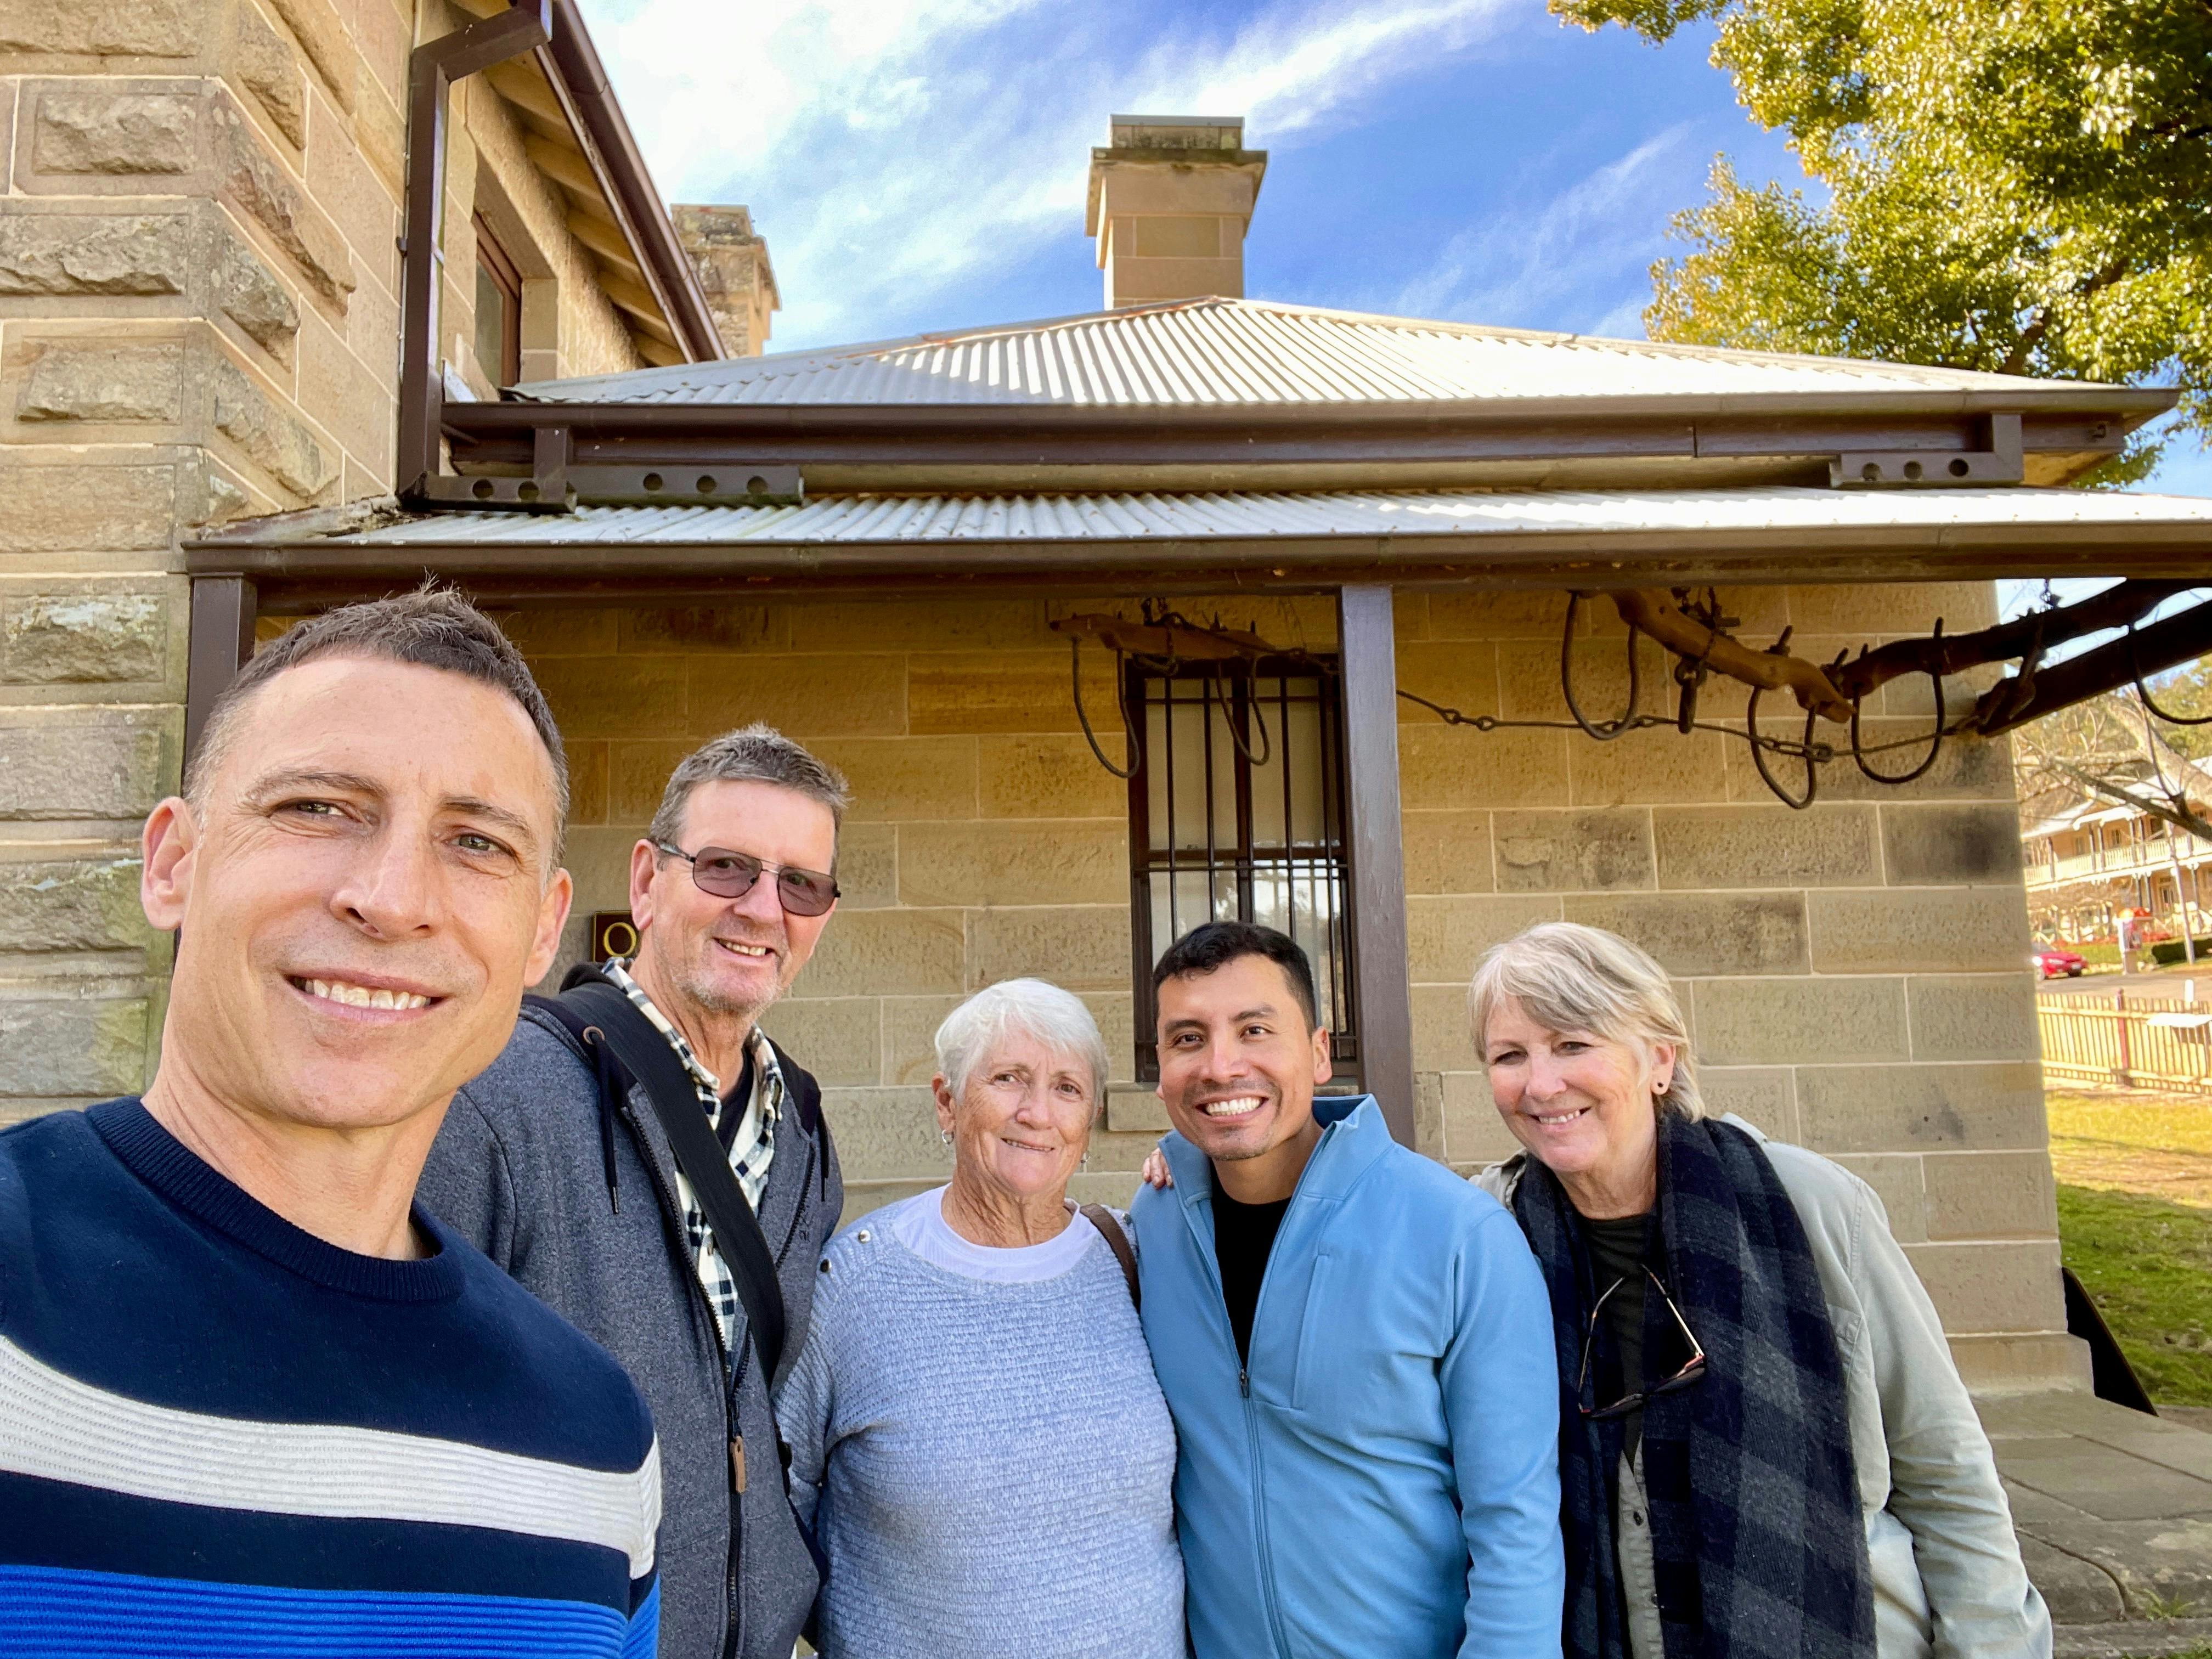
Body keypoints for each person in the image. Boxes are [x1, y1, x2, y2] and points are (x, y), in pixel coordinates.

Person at [0, 591, 660, 1651]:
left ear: (543, 930)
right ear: (172, 860)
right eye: (317, 806)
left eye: (478, 841)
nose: (392, 896)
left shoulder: (595, 1440)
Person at [1469, 920, 2051, 1659]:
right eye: (1509, 1055)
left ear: (1659, 1060)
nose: (1541, 1083)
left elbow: (1945, 1472)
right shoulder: (1483, 1236)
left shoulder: (1814, 1208)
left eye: (1574, 1045)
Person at [419, 724, 847, 1659]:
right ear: (648, 882)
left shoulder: (805, 1130)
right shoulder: (497, 1094)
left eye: (800, 883)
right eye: (728, 866)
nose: (764, 908)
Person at [1131, 920, 1564, 1658]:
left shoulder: (1461, 1237)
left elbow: (1515, 1525)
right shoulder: (1156, 1224)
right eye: (1187, 1038)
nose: (1221, 1065)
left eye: (1255, 1029)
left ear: (1320, 1052)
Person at [777, 979, 1183, 1658]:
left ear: (1089, 1122)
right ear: (947, 1102)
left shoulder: (1135, 1262)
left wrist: (1193, 1163)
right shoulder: (854, 1283)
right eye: (1008, 1079)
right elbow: (778, 1508)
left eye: (1067, 1089)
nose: (1037, 1113)